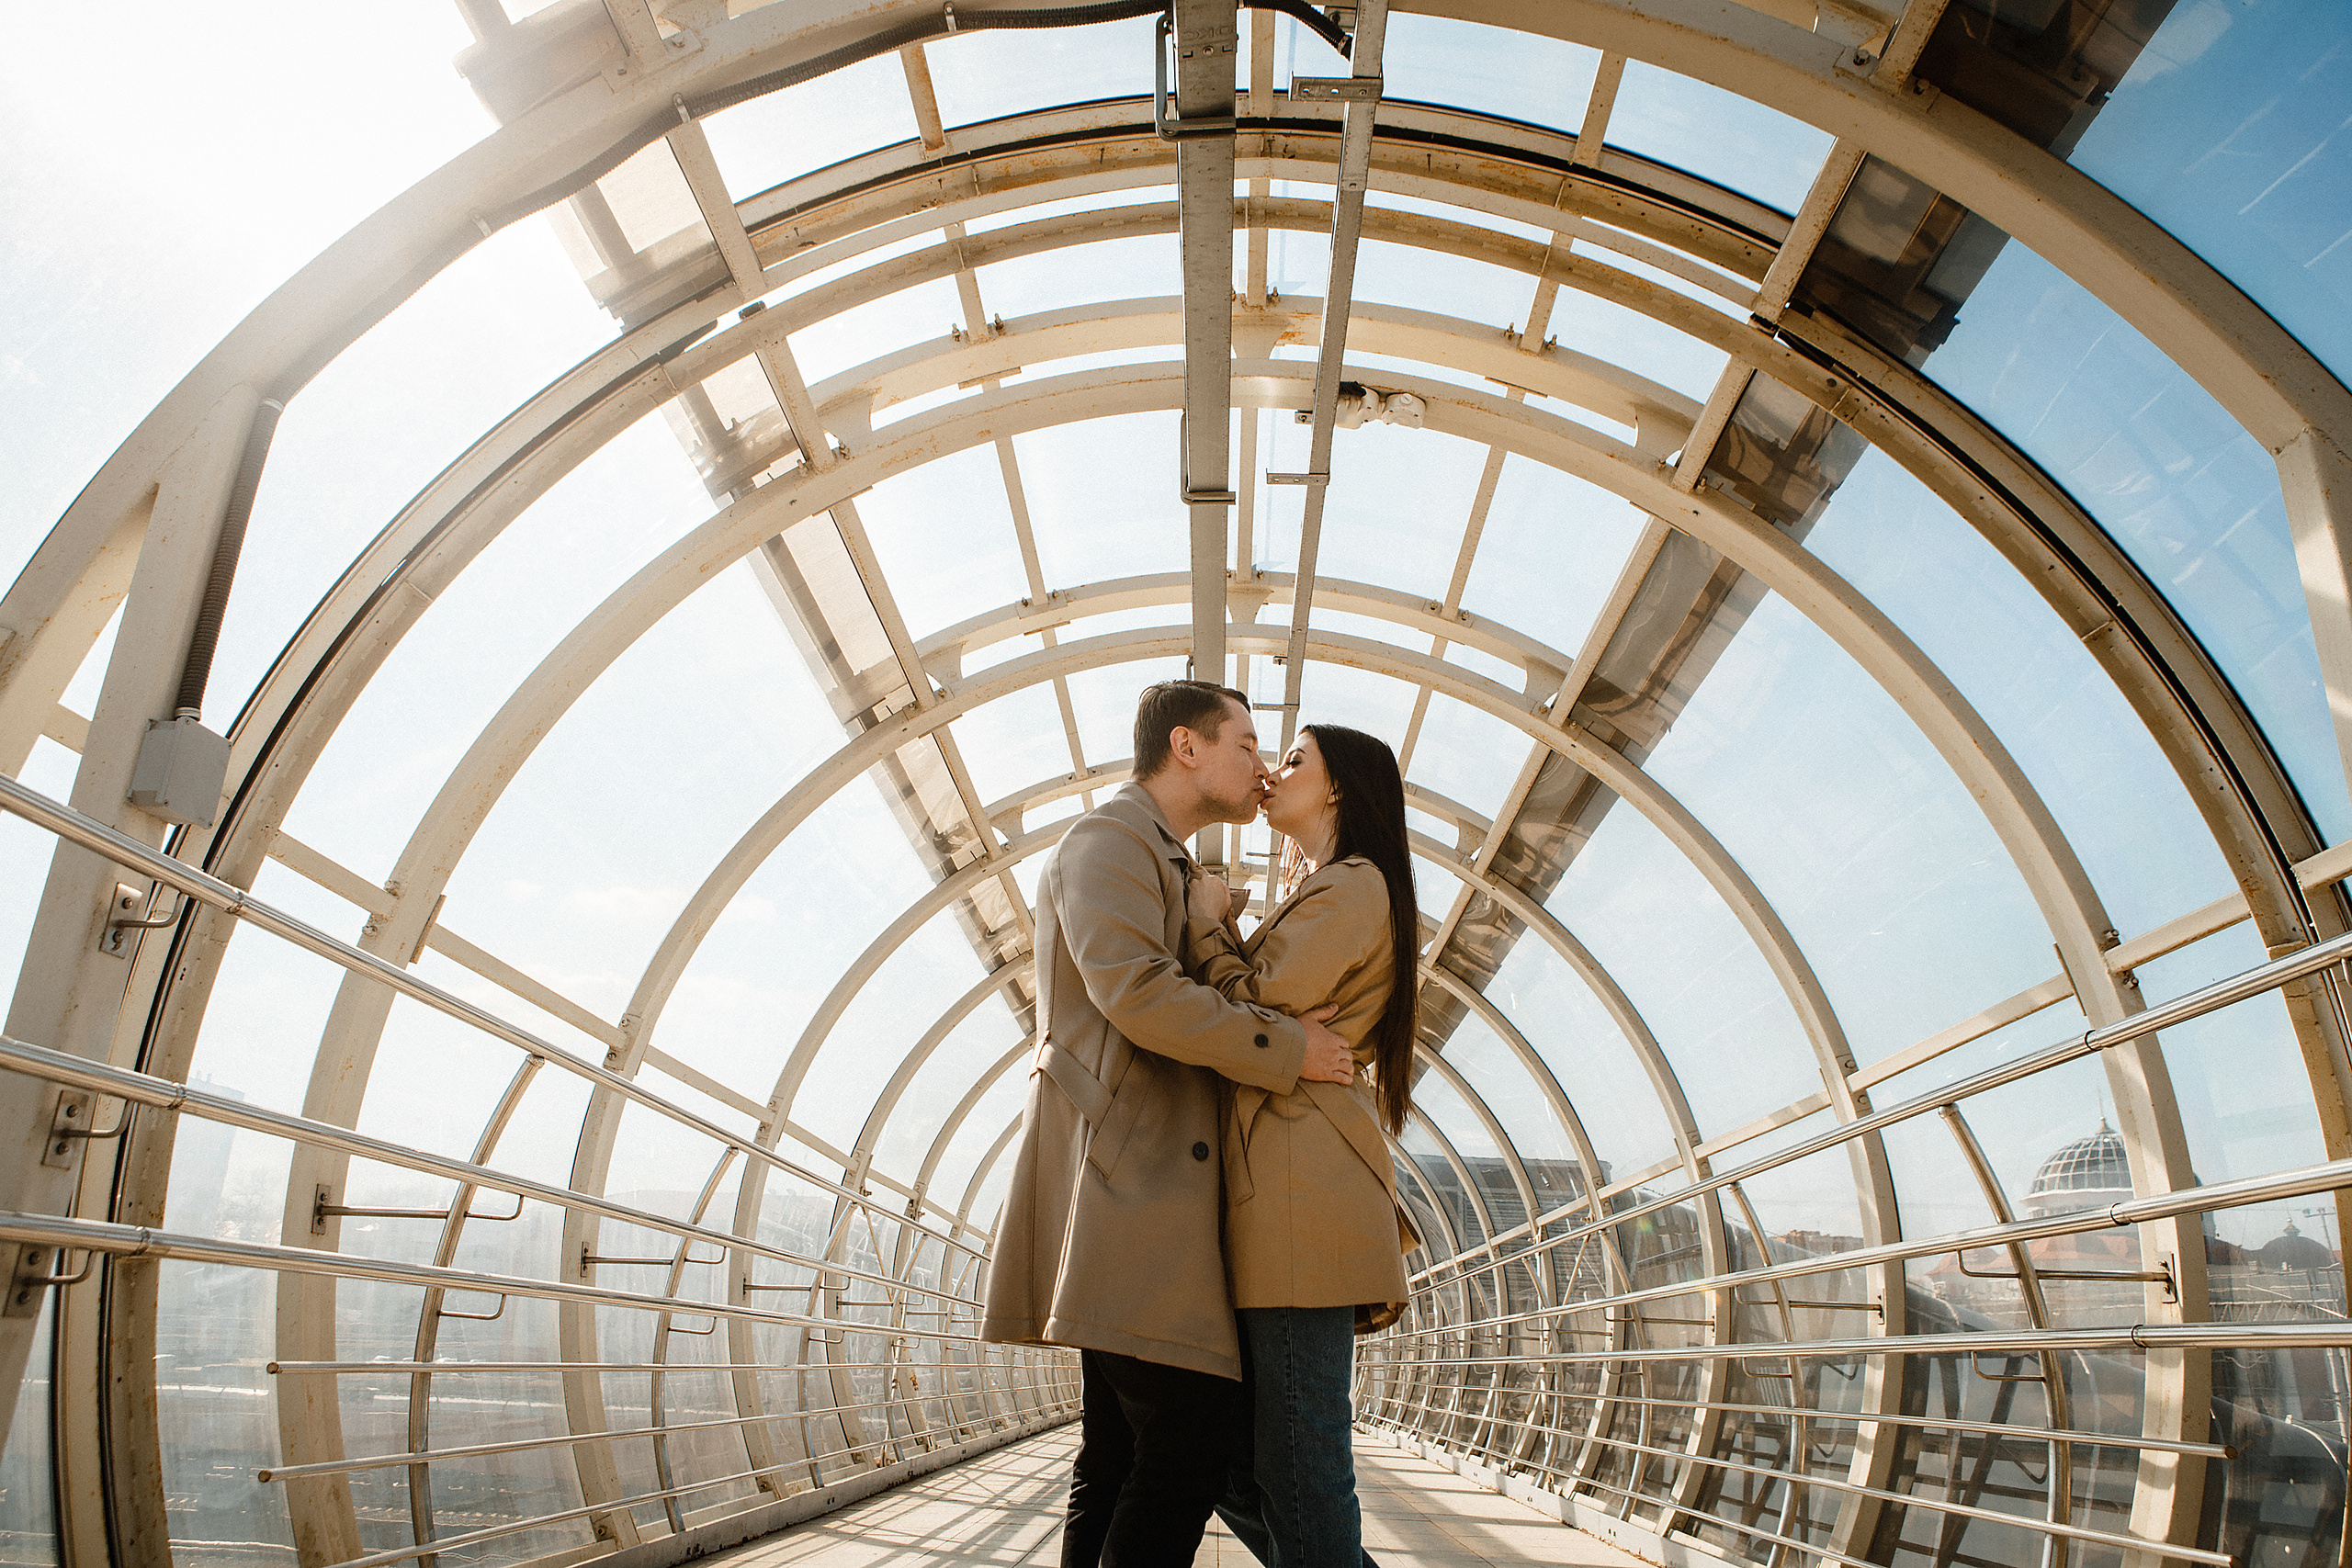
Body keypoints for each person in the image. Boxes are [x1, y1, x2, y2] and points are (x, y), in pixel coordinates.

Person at [980, 680, 1360, 1568]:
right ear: (1185, 746)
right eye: (1245, 742)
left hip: (1138, 1185)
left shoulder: (1161, 860)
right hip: (1126, 1185)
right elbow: (1138, 993)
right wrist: (1286, 1046)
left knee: (1120, 1453)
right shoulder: (1109, 840)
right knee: (1190, 1439)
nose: (1260, 764)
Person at [1183, 724, 1421, 1568]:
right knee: (1238, 1456)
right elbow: (1266, 1013)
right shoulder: (1333, 889)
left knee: (1297, 1461)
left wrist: (1210, 926)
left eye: (1294, 759)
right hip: (1283, 1182)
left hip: (1302, 1190)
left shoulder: (1355, 884)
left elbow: (1251, 1008)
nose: (1272, 771)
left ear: (1339, 788)